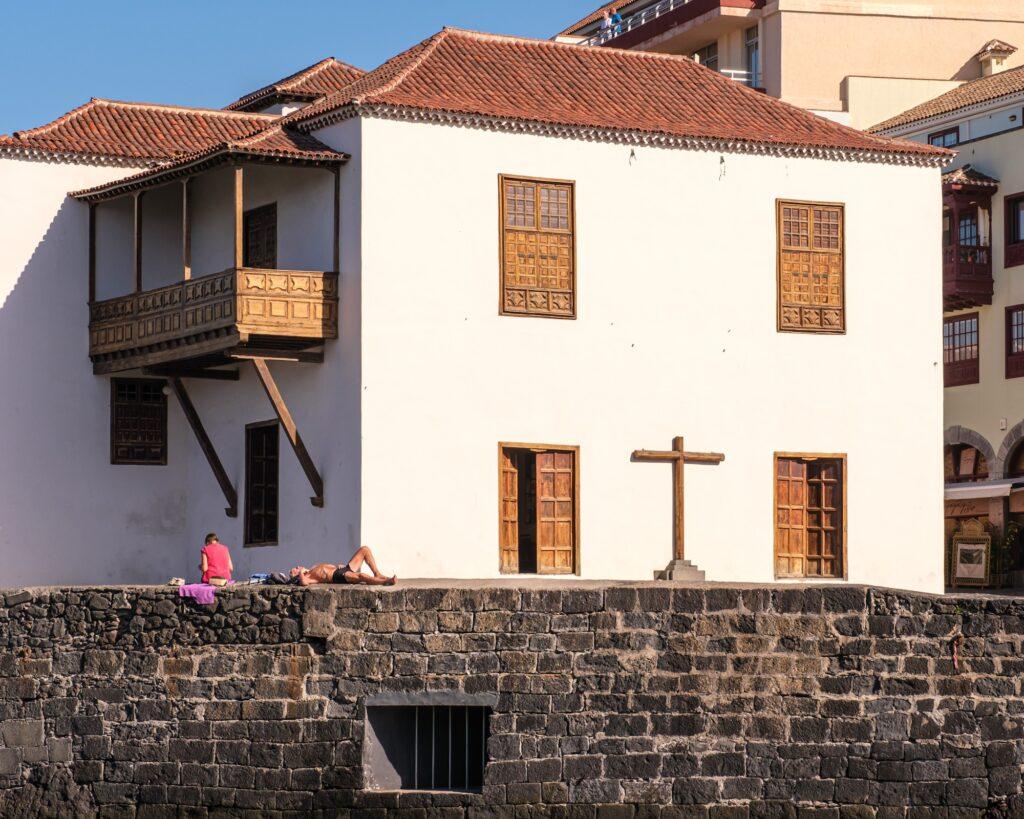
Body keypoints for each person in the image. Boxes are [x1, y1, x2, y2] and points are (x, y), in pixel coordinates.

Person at [290, 545, 396, 586]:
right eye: (295, 569)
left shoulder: (312, 569)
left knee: (365, 550)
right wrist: (301, 573)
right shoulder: (307, 577)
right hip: (338, 577)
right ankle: (386, 581)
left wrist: (337, 565)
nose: (298, 566)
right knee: (362, 576)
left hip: (342, 569)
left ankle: (377, 574)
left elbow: (326, 568)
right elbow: (304, 582)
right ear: (296, 575)